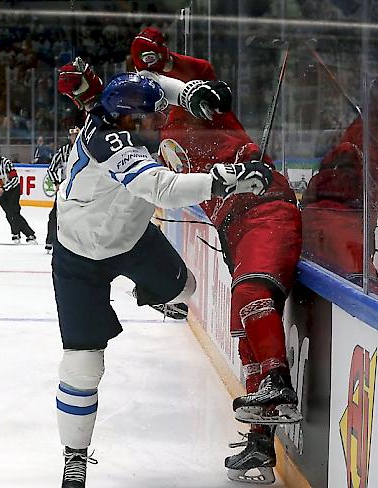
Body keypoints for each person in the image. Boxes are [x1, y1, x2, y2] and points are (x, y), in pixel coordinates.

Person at [53, 72, 272, 488]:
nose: (159, 122)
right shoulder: (108, 141)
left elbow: (146, 77)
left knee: (185, 289)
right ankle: (75, 455)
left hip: (133, 239)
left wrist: (187, 92)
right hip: (79, 255)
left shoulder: (118, 108)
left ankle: (151, 291)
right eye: (152, 117)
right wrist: (228, 179)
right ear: (128, 120)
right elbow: (164, 189)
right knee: (84, 364)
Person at [129, 26, 302, 483]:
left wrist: (159, 60)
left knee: (250, 295)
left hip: (264, 209)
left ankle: (278, 385)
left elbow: (204, 81)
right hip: (232, 226)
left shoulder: (194, 102)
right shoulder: (156, 138)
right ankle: (260, 448)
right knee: (240, 329)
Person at [45, 126, 78, 253]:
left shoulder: (87, 151)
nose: (74, 138)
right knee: (54, 215)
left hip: (81, 190)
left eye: (76, 135)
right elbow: (51, 169)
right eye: (72, 136)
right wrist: (57, 183)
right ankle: (51, 241)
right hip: (65, 190)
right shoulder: (63, 151)